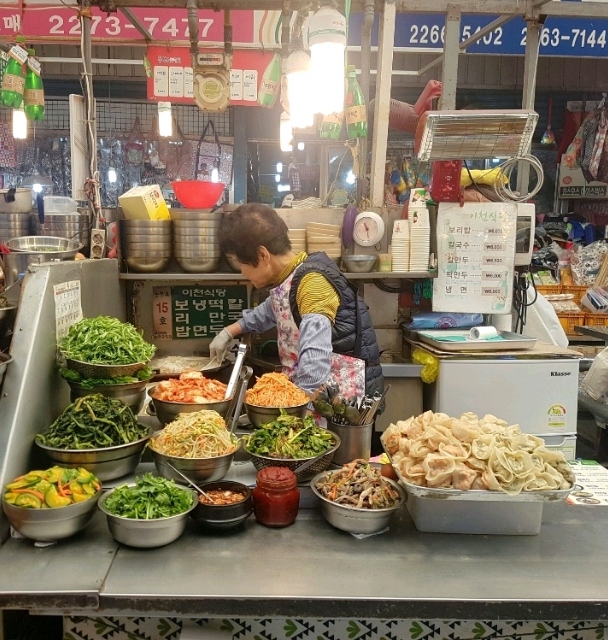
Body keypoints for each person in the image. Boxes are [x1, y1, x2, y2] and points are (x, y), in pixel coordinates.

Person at [210, 203, 383, 400]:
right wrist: (229, 331)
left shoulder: (312, 284)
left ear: (262, 255)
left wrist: (293, 409)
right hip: (309, 392)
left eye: (240, 263)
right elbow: (270, 310)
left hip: (337, 399)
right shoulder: (290, 277)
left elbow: (315, 362)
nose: (242, 272)